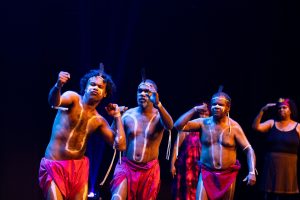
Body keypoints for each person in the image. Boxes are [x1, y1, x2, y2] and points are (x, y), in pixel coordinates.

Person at [38, 69, 126, 200]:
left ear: (105, 93)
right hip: (54, 165)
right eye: (92, 84)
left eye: (100, 86)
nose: (95, 88)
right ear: (85, 87)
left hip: (78, 169)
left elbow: (120, 145)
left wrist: (117, 116)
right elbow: (54, 102)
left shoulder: (99, 120)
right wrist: (58, 85)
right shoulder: (73, 98)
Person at [174, 90, 256, 200]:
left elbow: (249, 150)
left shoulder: (235, 128)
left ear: (228, 108)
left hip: (228, 175)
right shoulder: (203, 123)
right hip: (207, 173)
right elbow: (178, 126)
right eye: (214, 104)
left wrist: (251, 171)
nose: (216, 106)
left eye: (220, 104)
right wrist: (194, 109)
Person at [110, 79, 174, 200]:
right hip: (126, 166)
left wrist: (158, 104)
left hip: (149, 169)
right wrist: (115, 117)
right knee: (116, 197)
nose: (142, 94)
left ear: (154, 94)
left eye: (147, 91)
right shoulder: (128, 114)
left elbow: (170, 126)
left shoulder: (159, 116)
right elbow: (112, 136)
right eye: (140, 91)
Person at [252, 98, 300, 200]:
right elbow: (256, 127)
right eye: (279, 108)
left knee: (286, 195)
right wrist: (262, 110)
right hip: (271, 165)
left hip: (289, 166)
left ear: (290, 110)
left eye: (284, 107)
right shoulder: (272, 123)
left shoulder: (298, 126)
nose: (281, 110)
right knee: (269, 194)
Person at [170, 103, 210, 200]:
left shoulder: (211, 130)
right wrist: (172, 164)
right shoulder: (188, 127)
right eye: (201, 113)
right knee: (186, 193)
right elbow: (176, 146)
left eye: (206, 114)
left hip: (203, 168)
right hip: (187, 167)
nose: (203, 116)